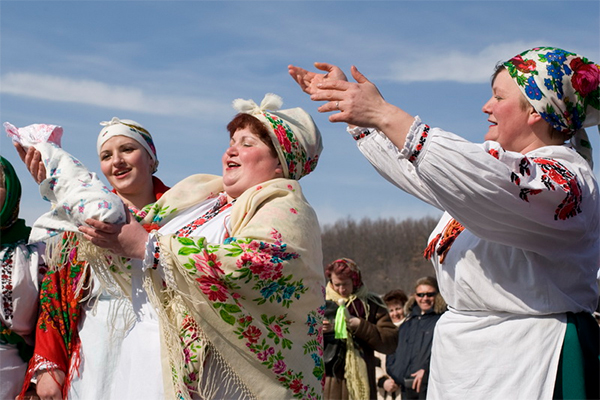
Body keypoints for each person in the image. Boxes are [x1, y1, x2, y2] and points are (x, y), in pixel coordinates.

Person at [289, 46, 600, 399]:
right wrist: (363, 119)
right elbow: (423, 171)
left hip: (531, 357)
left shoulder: (563, 180)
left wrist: (382, 113)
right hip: (471, 359)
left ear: (536, 111)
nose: (487, 106)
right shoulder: (496, 183)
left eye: (498, 97)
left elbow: (470, 170)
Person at [76, 93, 326, 399]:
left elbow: (258, 263)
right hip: (148, 359)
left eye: (247, 144)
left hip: (216, 378)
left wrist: (150, 249)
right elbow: (133, 230)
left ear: (279, 163)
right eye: (231, 142)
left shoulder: (284, 204)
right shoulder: (203, 198)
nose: (231, 151)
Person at [13, 117, 170, 400]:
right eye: (106, 156)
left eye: (127, 149)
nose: (117, 161)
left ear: (151, 158)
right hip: (93, 354)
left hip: (157, 351)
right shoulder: (83, 222)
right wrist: (48, 369)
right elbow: (55, 298)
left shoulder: (186, 216)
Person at [0, 156, 46, 400]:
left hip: (12, 377)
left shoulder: (35, 250)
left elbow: (53, 316)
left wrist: (38, 378)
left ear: (11, 193)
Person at [323, 258, 398, 400]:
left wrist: (361, 326)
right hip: (330, 380)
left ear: (355, 281)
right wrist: (319, 331)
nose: (341, 289)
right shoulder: (320, 302)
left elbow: (390, 342)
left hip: (363, 377)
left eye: (345, 284)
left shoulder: (371, 304)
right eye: (336, 284)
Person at [386, 277, 445, 399]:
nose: (425, 298)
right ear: (415, 296)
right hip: (405, 388)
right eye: (421, 294)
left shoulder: (441, 322)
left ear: (437, 295)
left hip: (429, 388)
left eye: (430, 294)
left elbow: (445, 354)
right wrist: (395, 371)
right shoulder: (407, 323)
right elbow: (392, 349)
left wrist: (427, 371)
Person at [375, 289, 408, 400]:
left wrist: (400, 378)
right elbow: (374, 361)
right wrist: (383, 381)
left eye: (398, 309)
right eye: (391, 310)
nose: (395, 313)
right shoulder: (381, 333)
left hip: (406, 390)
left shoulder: (411, 331)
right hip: (384, 392)